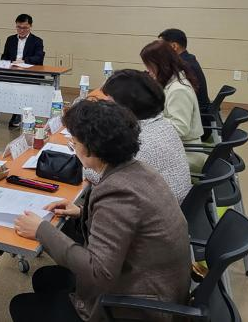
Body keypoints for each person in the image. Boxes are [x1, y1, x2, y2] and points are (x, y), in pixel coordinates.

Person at [11, 100, 190, 322]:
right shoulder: (140, 170)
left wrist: (42, 230)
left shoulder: (118, 193)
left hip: (141, 307)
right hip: (154, 284)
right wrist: (83, 212)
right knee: (45, 278)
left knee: (20, 306)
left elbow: (99, 272)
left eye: (74, 143)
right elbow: (126, 222)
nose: (73, 148)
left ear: (90, 149)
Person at [101, 69, 191, 202]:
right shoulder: (162, 124)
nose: (107, 108)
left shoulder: (141, 142)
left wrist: (82, 156)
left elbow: (106, 177)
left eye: (110, 102)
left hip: (152, 209)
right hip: (170, 204)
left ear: (127, 106)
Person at [140, 40, 205, 171]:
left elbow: (180, 128)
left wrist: (148, 122)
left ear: (161, 64)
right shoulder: (173, 82)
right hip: (178, 147)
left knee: (133, 162)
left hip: (187, 153)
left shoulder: (178, 89)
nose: (148, 70)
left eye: (150, 66)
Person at [0, 14, 45, 127]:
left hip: (27, 74)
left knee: (18, 87)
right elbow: (5, 56)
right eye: (19, 27)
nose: (21, 30)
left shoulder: (37, 41)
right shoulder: (10, 39)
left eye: (24, 28)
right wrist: (8, 63)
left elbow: (38, 58)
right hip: (11, 71)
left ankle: (17, 114)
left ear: (30, 26)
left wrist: (23, 61)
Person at [158, 28, 210, 113]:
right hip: (198, 108)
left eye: (161, 47)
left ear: (174, 46)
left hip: (195, 112)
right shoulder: (188, 59)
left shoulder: (181, 65)